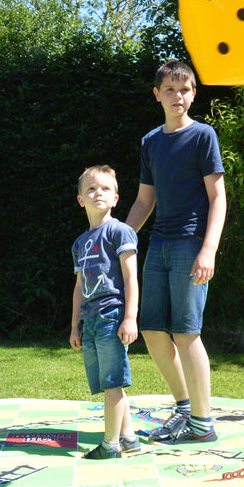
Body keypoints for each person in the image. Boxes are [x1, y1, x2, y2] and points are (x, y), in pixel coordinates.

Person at [124, 59, 226, 445]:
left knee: (186, 334)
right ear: (157, 95)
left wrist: (209, 249)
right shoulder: (151, 142)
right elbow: (143, 201)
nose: (177, 96)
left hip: (191, 245)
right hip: (159, 245)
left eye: (184, 90)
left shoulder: (203, 136)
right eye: (169, 89)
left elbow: (218, 198)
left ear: (193, 94)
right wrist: (117, 237)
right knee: (151, 331)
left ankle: (203, 425)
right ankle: (185, 410)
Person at [70, 165, 142, 459]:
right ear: (80, 200)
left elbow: (130, 278)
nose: (97, 193)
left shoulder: (120, 231)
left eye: (105, 189)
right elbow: (79, 286)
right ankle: (129, 438)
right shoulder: (79, 243)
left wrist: (130, 317)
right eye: (90, 188)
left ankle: (110, 445)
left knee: (113, 382)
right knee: (107, 382)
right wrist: (75, 324)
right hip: (91, 320)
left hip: (113, 315)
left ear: (115, 198)